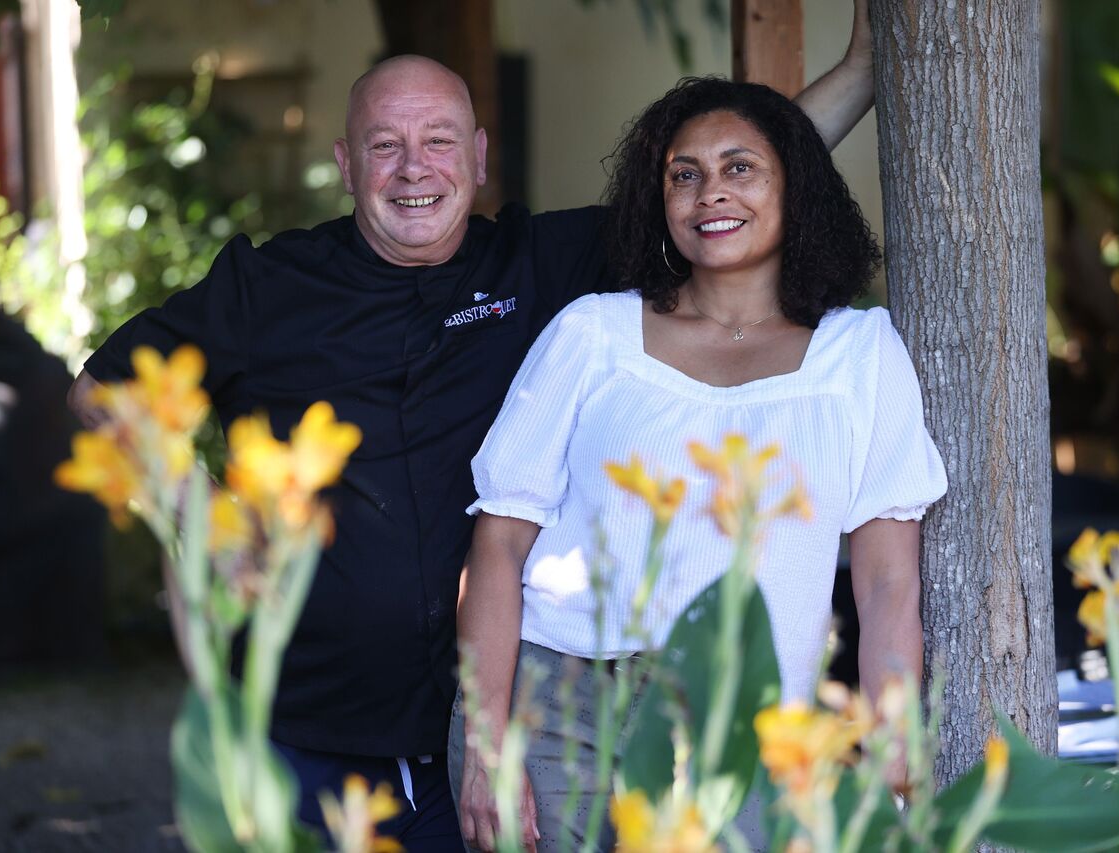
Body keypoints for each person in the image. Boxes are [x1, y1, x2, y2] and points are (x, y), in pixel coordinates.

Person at [67, 12, 876, 849]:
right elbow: (100, 389)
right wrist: (202, 511)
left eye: (440, 141)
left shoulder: (537, 265)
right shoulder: (268, 285)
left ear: (480, 157)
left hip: (485, 737)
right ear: (345, 165)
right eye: (384, 145)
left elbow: (737, 182)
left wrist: (866, 66)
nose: (414, 167)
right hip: (307, 734)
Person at [451, 76, 948, 851]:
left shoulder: (861, 354)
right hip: (562, 705)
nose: (710, 192)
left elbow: (888, 580)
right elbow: (499, 540)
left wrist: (891, 744)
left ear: (797, 187)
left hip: (748, 721)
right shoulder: (592, 335)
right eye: (685, 174)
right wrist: (486, 742)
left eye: (740, 167)